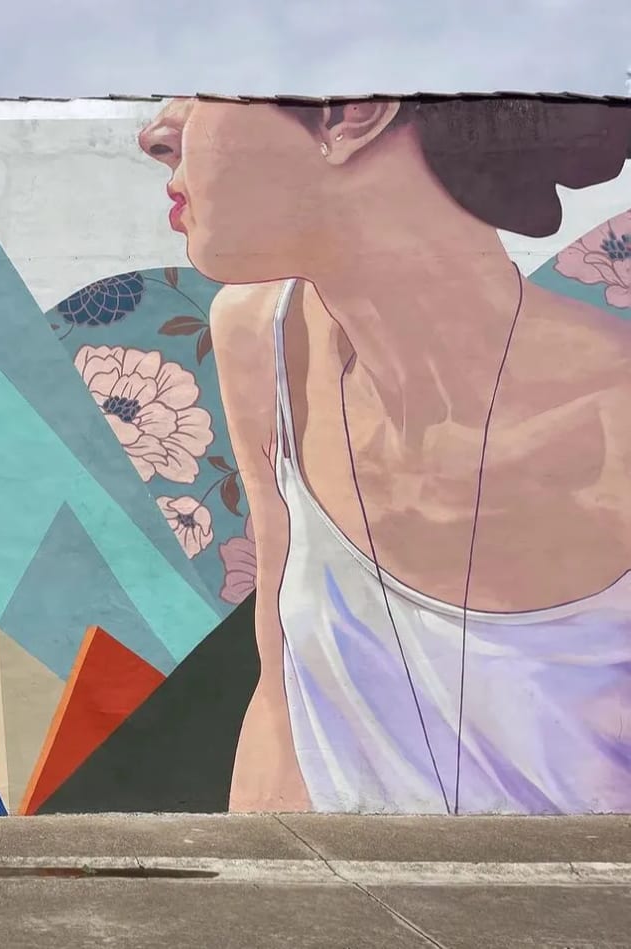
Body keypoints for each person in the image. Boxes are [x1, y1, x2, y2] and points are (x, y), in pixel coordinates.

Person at [138, 96, 631, 814]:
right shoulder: (264, 342)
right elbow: (282, 702)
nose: (155, 133)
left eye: (202, 84)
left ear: (350, 111)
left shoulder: (614, 417)